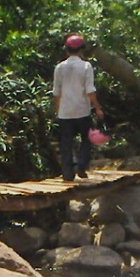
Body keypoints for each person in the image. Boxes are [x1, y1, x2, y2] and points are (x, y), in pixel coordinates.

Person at [52, 33, 104, 181]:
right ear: (82, 50)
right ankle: (81, 166)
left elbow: (57, 92)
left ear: (66, 50)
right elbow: (90, 91)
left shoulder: (59, 68)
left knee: (66, 143)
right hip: (82, 110)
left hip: (65, 112)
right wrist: (98, 108)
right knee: (86, 139)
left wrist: (58, 110)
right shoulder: (86, 66)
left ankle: (68, 173)